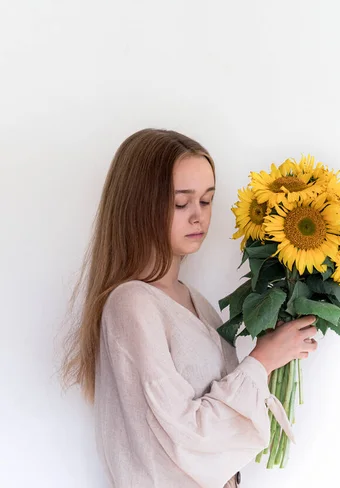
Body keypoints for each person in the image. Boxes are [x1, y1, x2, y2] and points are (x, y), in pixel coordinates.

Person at [60, 128, 318, 488]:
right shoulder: (131, 303)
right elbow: (183, 438)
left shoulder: (198, 303)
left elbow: (221, 431)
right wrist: (263, 360)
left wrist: (275, 356)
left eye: (207, 200)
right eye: (181, 203)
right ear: (139, 205)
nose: (198, 216)